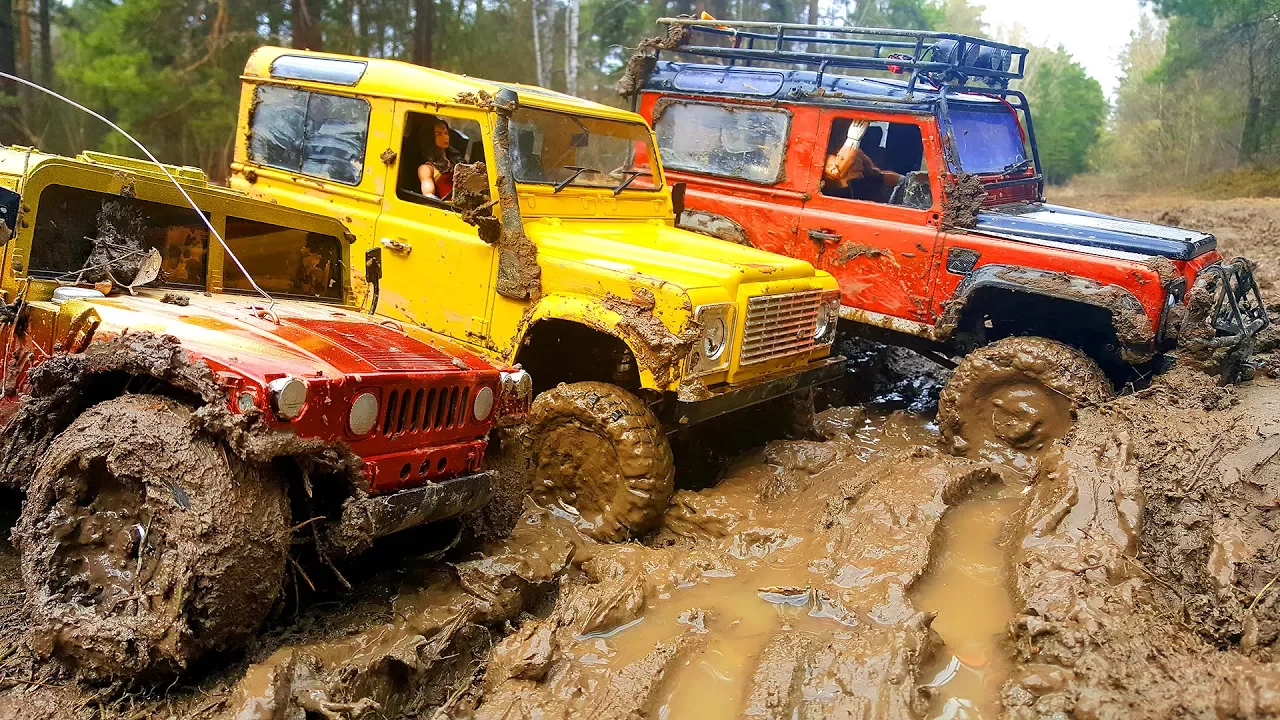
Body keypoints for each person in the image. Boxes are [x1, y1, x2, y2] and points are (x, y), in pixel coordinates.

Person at [822, 120, 902, 203]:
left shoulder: (857, 152)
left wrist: (904, 180)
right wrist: (853, 138)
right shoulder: (824, 153)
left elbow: (874, 171)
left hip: (861, 189)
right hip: (838, 198)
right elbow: (838, 171)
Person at [417, 117, 459, 200]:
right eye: (439, 134)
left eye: (446, 133)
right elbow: (429, 197)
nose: (445, 137)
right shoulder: (426, 168)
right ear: (430, 138)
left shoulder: (454, 161)